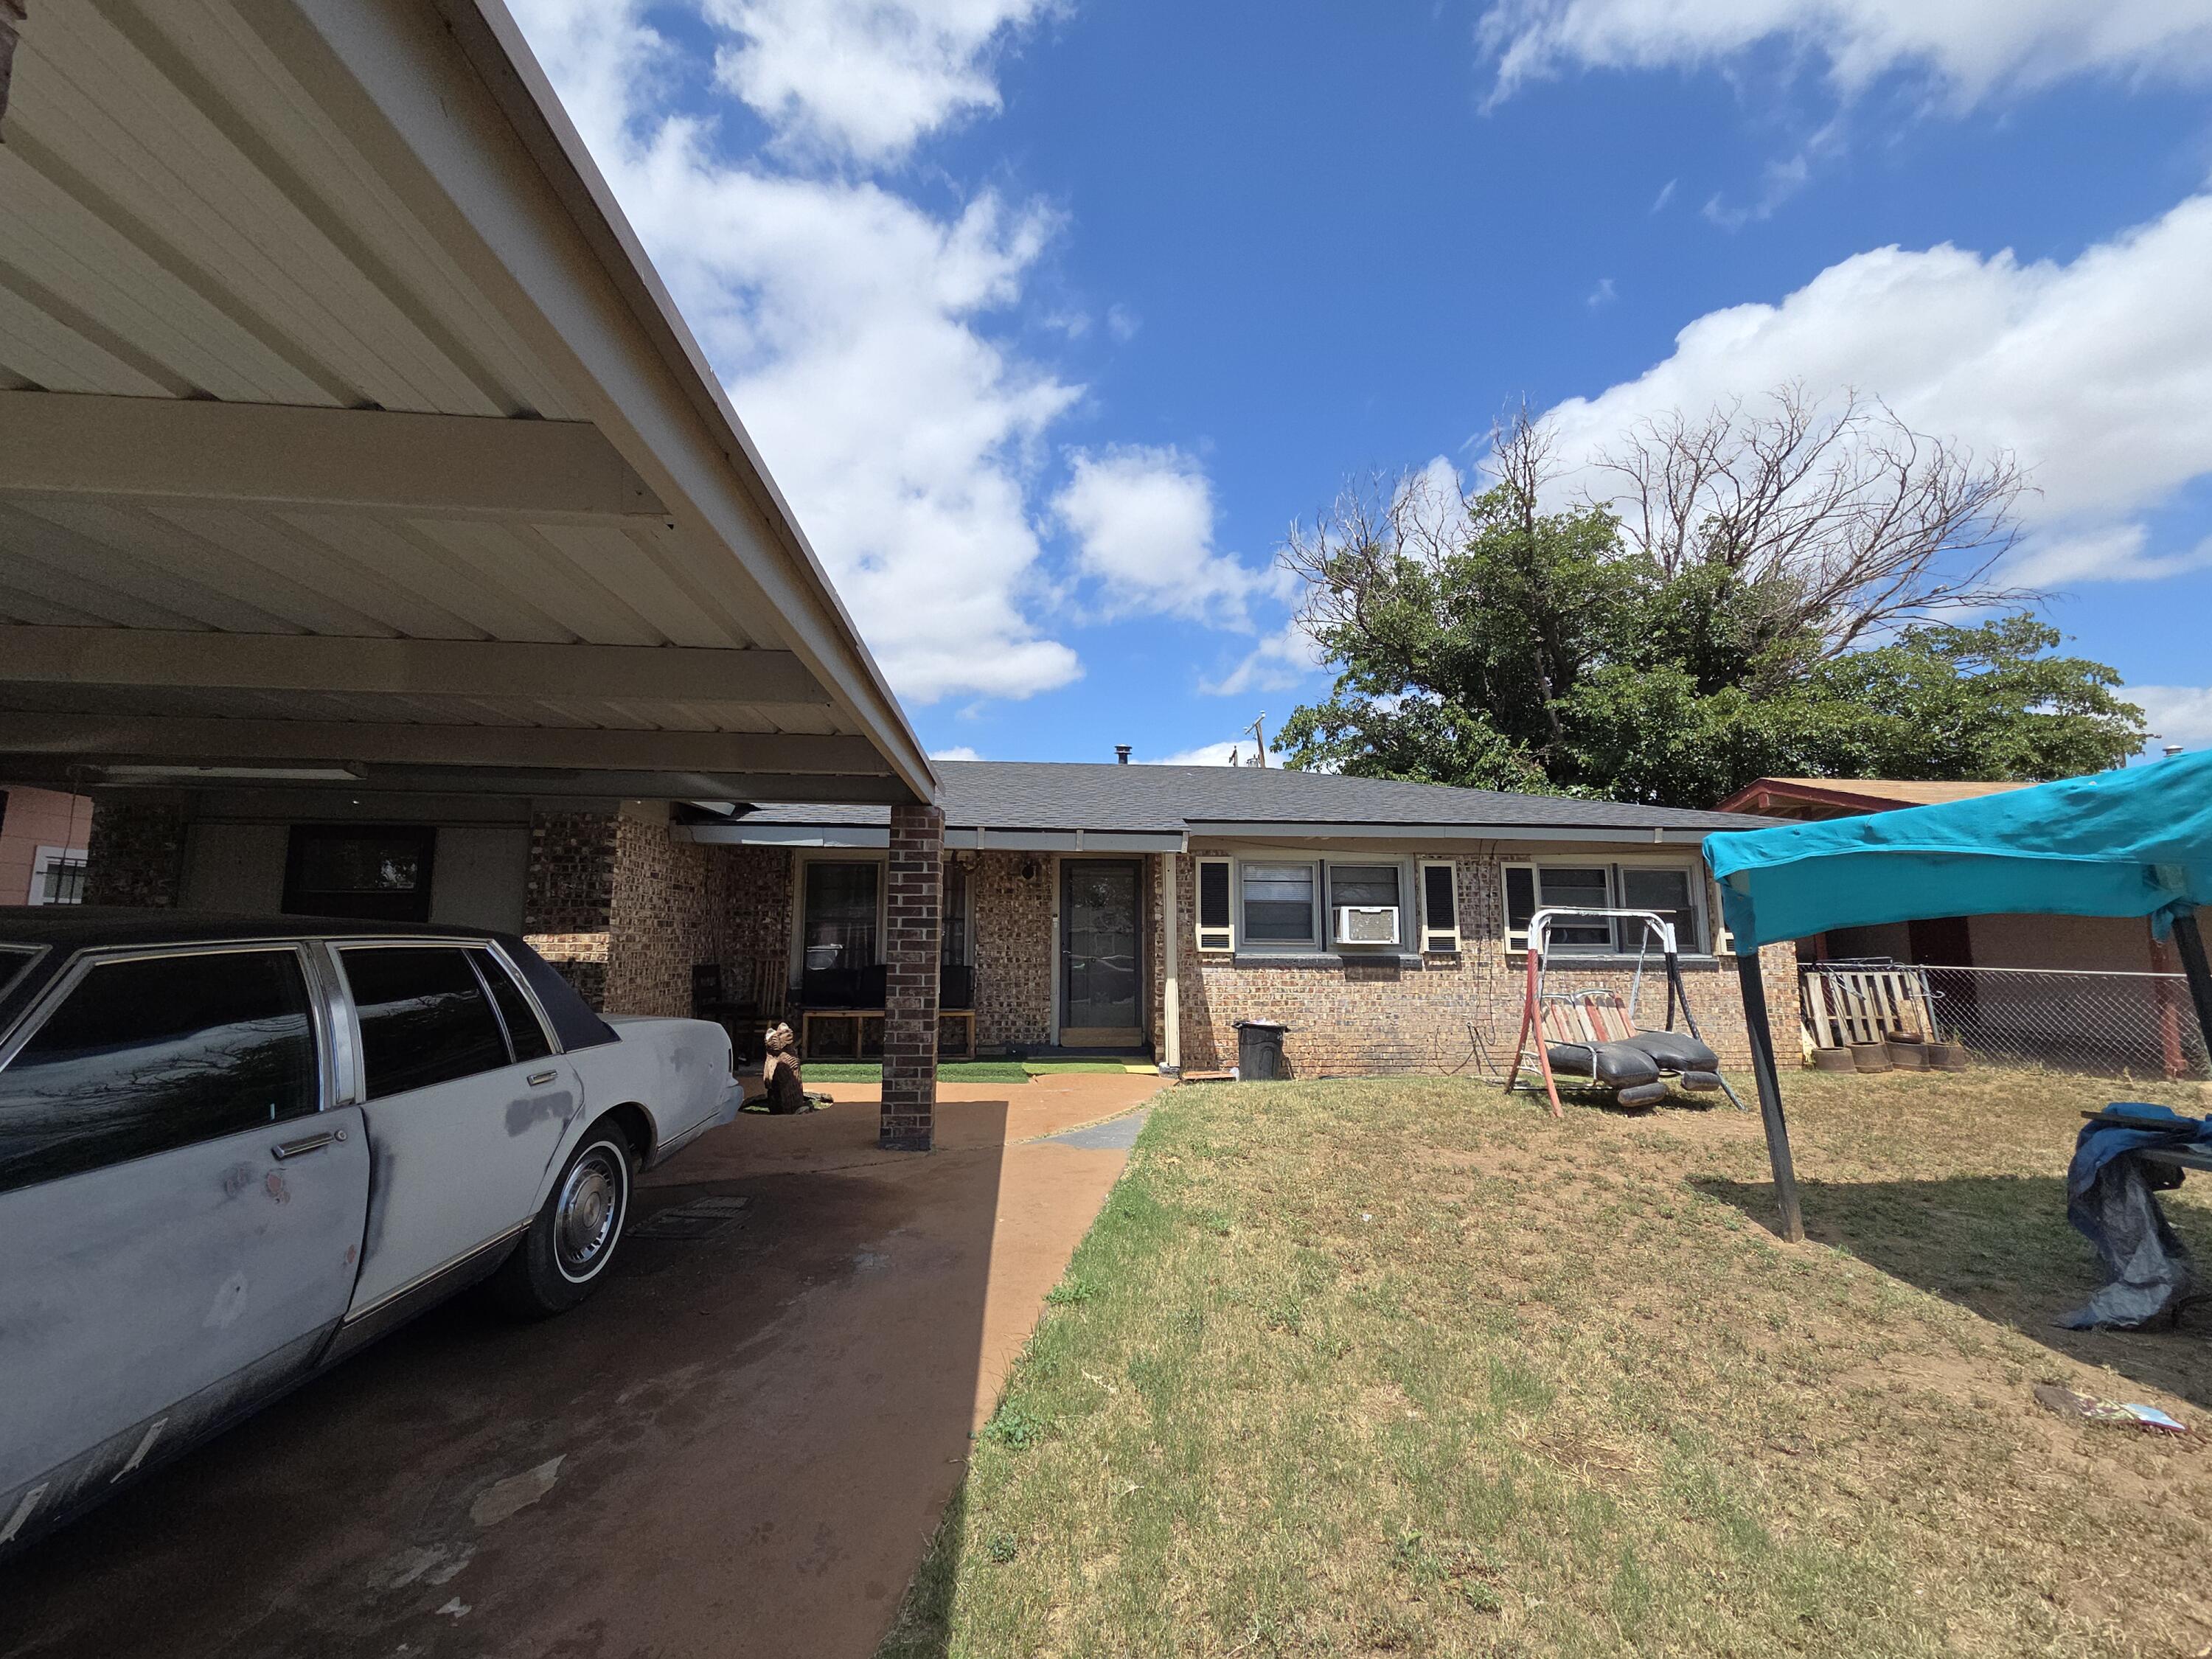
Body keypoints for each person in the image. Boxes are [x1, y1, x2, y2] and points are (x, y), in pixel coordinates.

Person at [759, 1022, 824, 1114]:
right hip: (783, 1098)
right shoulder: (773, 1059)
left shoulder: (791, 1052)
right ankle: (787, 1109)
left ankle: (796, 1106)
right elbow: (769, 1080)